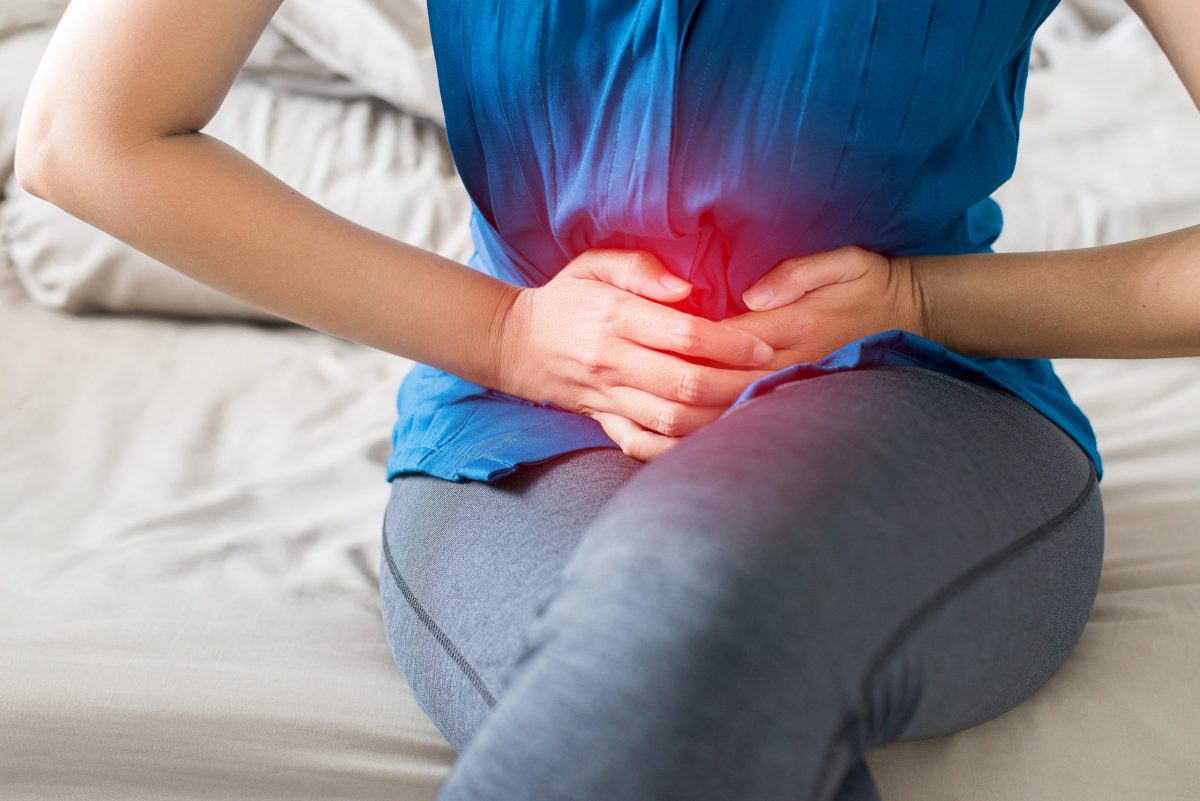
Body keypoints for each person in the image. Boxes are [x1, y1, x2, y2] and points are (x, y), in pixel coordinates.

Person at [16, 1, 1199, 798]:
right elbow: (88, 134)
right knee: (648, 691)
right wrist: (505, 332)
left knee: (686, 612)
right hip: (521, 442)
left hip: (923, 408)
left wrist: (924, 298)